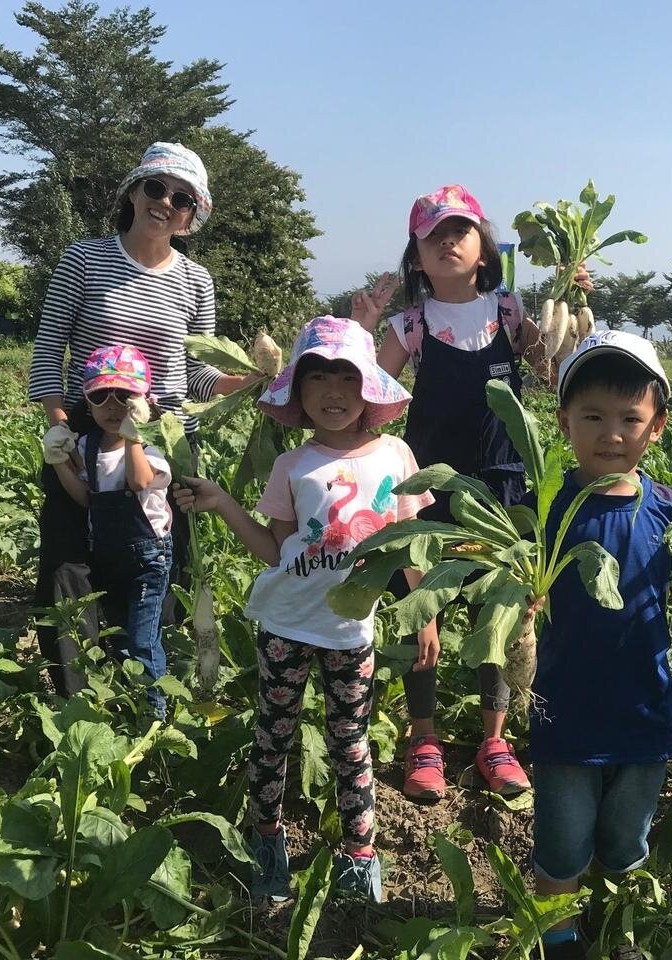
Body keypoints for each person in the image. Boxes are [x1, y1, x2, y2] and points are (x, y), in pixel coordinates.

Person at [173, 316, 438, 904]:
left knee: (351, 741)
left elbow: (412, 538)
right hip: (285, 625)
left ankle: (360, 851)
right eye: (316, 377)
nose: (332, 390)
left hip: (350, 630)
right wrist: (221, 504)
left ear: (369, 386)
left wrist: (425, 611)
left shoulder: (395, 454)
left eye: (346, 375)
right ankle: (266, 840)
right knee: (275, 735)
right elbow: (274, 548)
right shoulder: (291, 466)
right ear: (297, 391)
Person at [350, 184, 586, 800]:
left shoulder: (508, 313)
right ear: (417, 258)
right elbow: (367, 406)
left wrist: (566, 302)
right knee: (421, 613)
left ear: (484, 248)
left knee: (500, 615)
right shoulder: (412, 323)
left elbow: (554, 374)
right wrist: (362, 331)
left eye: (461, 231)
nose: (448, 242)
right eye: (433, 236)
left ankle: (494, 739)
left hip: (505, 487)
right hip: (430, 491)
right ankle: (423, 738)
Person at [29, 142, 254, 697]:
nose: (165, 203)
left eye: (181, 198)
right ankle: (76, 695)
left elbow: (194, 372)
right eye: (156, 188)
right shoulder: (84, 259)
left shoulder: (196, 280)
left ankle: (145, 682)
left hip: (168, 436)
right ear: (134, 190)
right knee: (70, 557)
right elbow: (49, 349)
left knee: (157, 556)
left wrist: (245, 380)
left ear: (191, 215)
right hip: (90, 427)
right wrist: (60, 425)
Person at [525, 331, 672, 959]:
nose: (611, 433)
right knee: (563, 839)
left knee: (628, 838)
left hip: (644, 707)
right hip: (566, 708)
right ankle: (559, 936)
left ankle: (619, 920)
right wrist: (521, 599)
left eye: (630, 418)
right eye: (593, 417)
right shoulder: (545, 508)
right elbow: (508, 584)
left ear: (657, 426)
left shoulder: (669, 510)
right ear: (564, 419)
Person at [42, 344, 173, 716]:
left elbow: (138, 481)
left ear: (144, 401)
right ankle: (127, 701)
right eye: (102, 396)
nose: (114, 405)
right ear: (88, 402)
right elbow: (86, 497)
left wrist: (133, 436)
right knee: (118, 630)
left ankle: (154, 714)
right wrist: (59, 464)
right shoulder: (88, 445)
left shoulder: (151, 447)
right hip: (108, 553)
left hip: (149, 558)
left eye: (126, 396)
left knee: (143, 639)